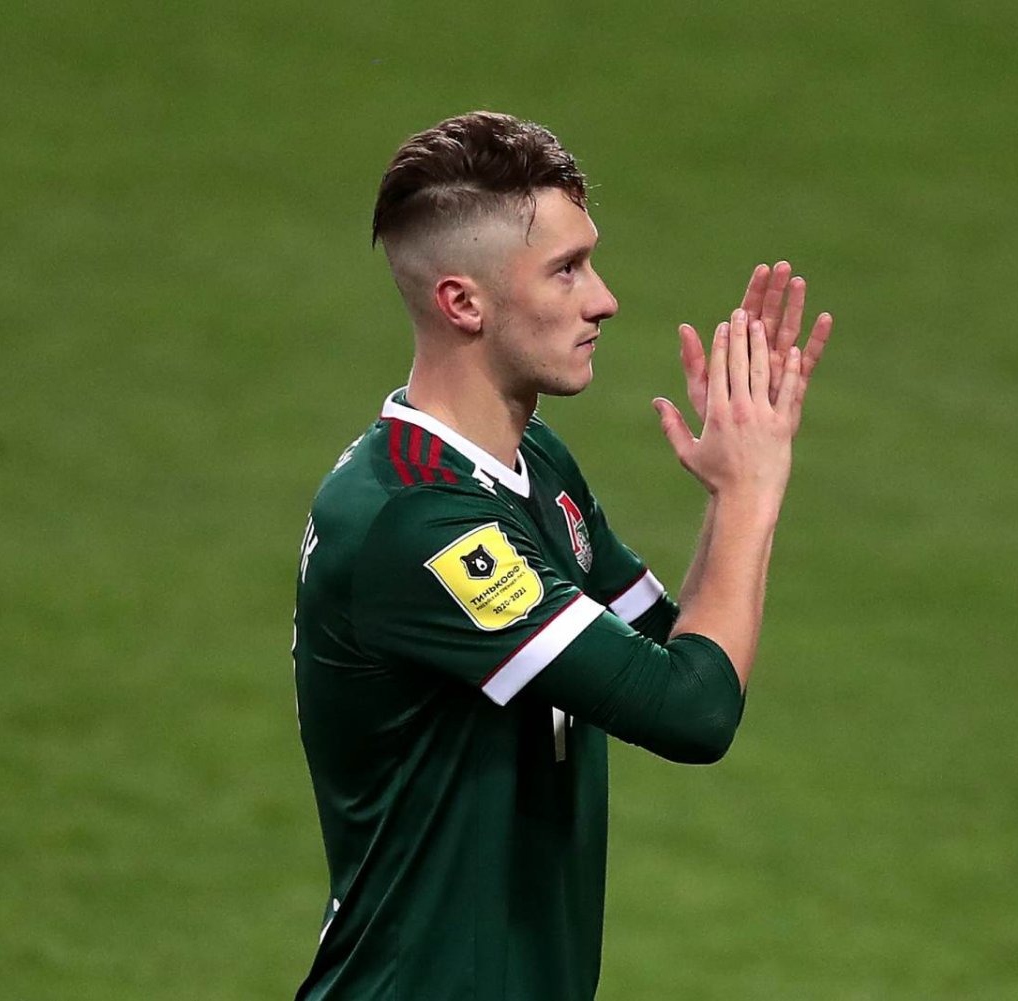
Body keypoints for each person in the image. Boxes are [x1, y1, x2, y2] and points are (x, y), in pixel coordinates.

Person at [290, 110, 833, 1000]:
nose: (604, 299)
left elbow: (675, 652)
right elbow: (692, 713)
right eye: (566, 269)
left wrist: (734, 484)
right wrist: (750, 492)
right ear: (462, 302)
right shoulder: (420, 523)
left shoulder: (527, 463)